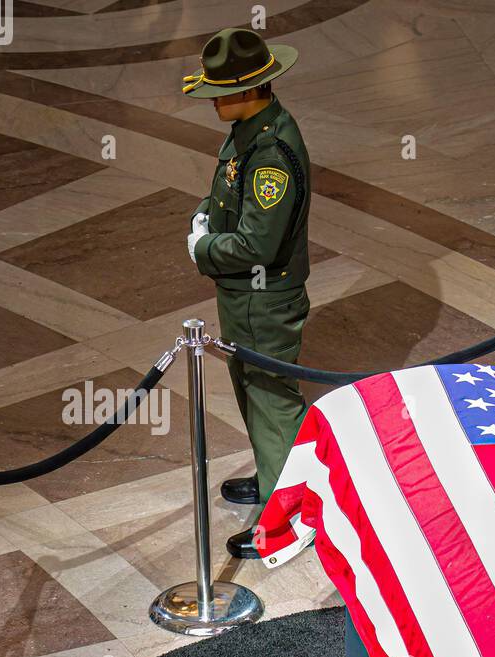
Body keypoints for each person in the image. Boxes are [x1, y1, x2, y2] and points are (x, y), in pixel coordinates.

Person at [183, 27, 313, 558]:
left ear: (247, 90)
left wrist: (203, 248)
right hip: (246, 297)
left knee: (271, 403)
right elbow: (230, 195)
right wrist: (205, 216)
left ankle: (288, 521)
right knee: (253, 394)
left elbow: (258, 243)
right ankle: (273, 477)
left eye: (219, 92)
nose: (213, 100)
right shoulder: (252, 129)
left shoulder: (271, 152)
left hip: (263, 298)